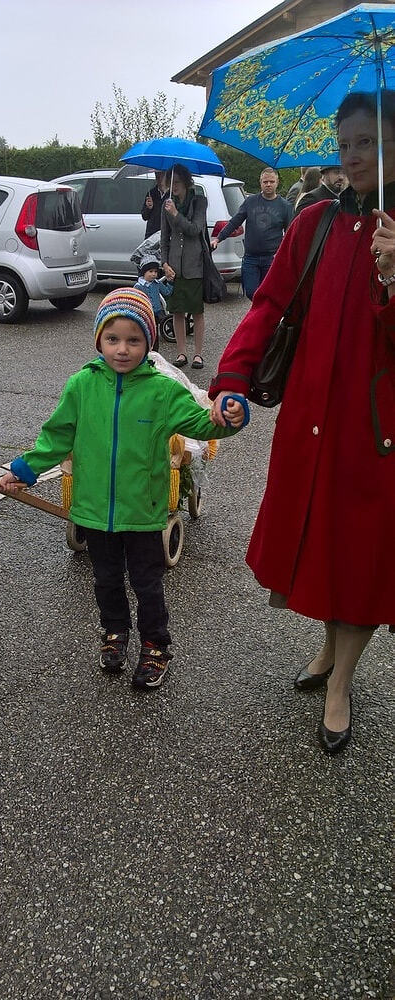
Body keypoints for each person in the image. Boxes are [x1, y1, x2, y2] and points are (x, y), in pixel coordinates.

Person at [208, 89, 395, 755]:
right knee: (319, 545)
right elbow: (269, 304)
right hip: (310, 421)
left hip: (374, 434)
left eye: (368, 142)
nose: (354, 156)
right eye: (345, 145)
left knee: (361, 558)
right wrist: (232, 375)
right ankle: (327, 648)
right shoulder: (314, 220)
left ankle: (342, 681)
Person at [0, 287, 249, 690]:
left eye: (134, 340)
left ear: (148, 343)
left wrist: (229, 417)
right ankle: (115, 632)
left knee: (147, 584)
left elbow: (203, 424)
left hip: (143, 511)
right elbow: (56, 437)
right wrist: (23, 469)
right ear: (99, 339)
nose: (122, 349)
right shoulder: (82, 385)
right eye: (112, 338)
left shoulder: (163, 391)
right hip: (95, 510)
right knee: (106, 580)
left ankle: (155, 646)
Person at [211, 167, 293, 300]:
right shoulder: (250, 201)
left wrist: (284, 254)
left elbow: (290, 233)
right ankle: (258, 310)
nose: (268, 184)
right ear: (260, 183)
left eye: (271, 182)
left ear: (277, 183)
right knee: (251, 292)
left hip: (271, 258)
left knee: (269, 293)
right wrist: (218, 238)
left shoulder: (285, 206)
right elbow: (235, 222)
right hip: (251, 257)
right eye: (265, 182)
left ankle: (263, 313)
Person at [160, 163, 207, 370]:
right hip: (174, 265)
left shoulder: (199, 201)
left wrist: (176, 214)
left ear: (186, 182)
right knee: (177, 311)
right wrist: (164, 263)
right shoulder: (166, 203)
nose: (174, 186)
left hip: (194, 264)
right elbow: (164, 237)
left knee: (196, 311)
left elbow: (195, 229)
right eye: (171, 183)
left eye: (177, 182)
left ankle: (198, 354)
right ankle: (181, 353)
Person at [133, 254, 173, 326]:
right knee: (148, 326)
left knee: (166, 322)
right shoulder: (138, 286)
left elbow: (167, 292)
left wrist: (170, 282)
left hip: (158, 311)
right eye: (151, 271)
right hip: (145, 312)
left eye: (155, 271)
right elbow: (135, 302)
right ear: (144, 272)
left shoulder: (157, 283)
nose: (154, 274)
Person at [141, 171, 168, 238]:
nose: (159, 178)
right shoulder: (151, 193)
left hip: (166, 234)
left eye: (162, 175)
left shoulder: (172, 194)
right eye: (157, 176)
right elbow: (144, 216)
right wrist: (148, 208)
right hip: (151, 234)